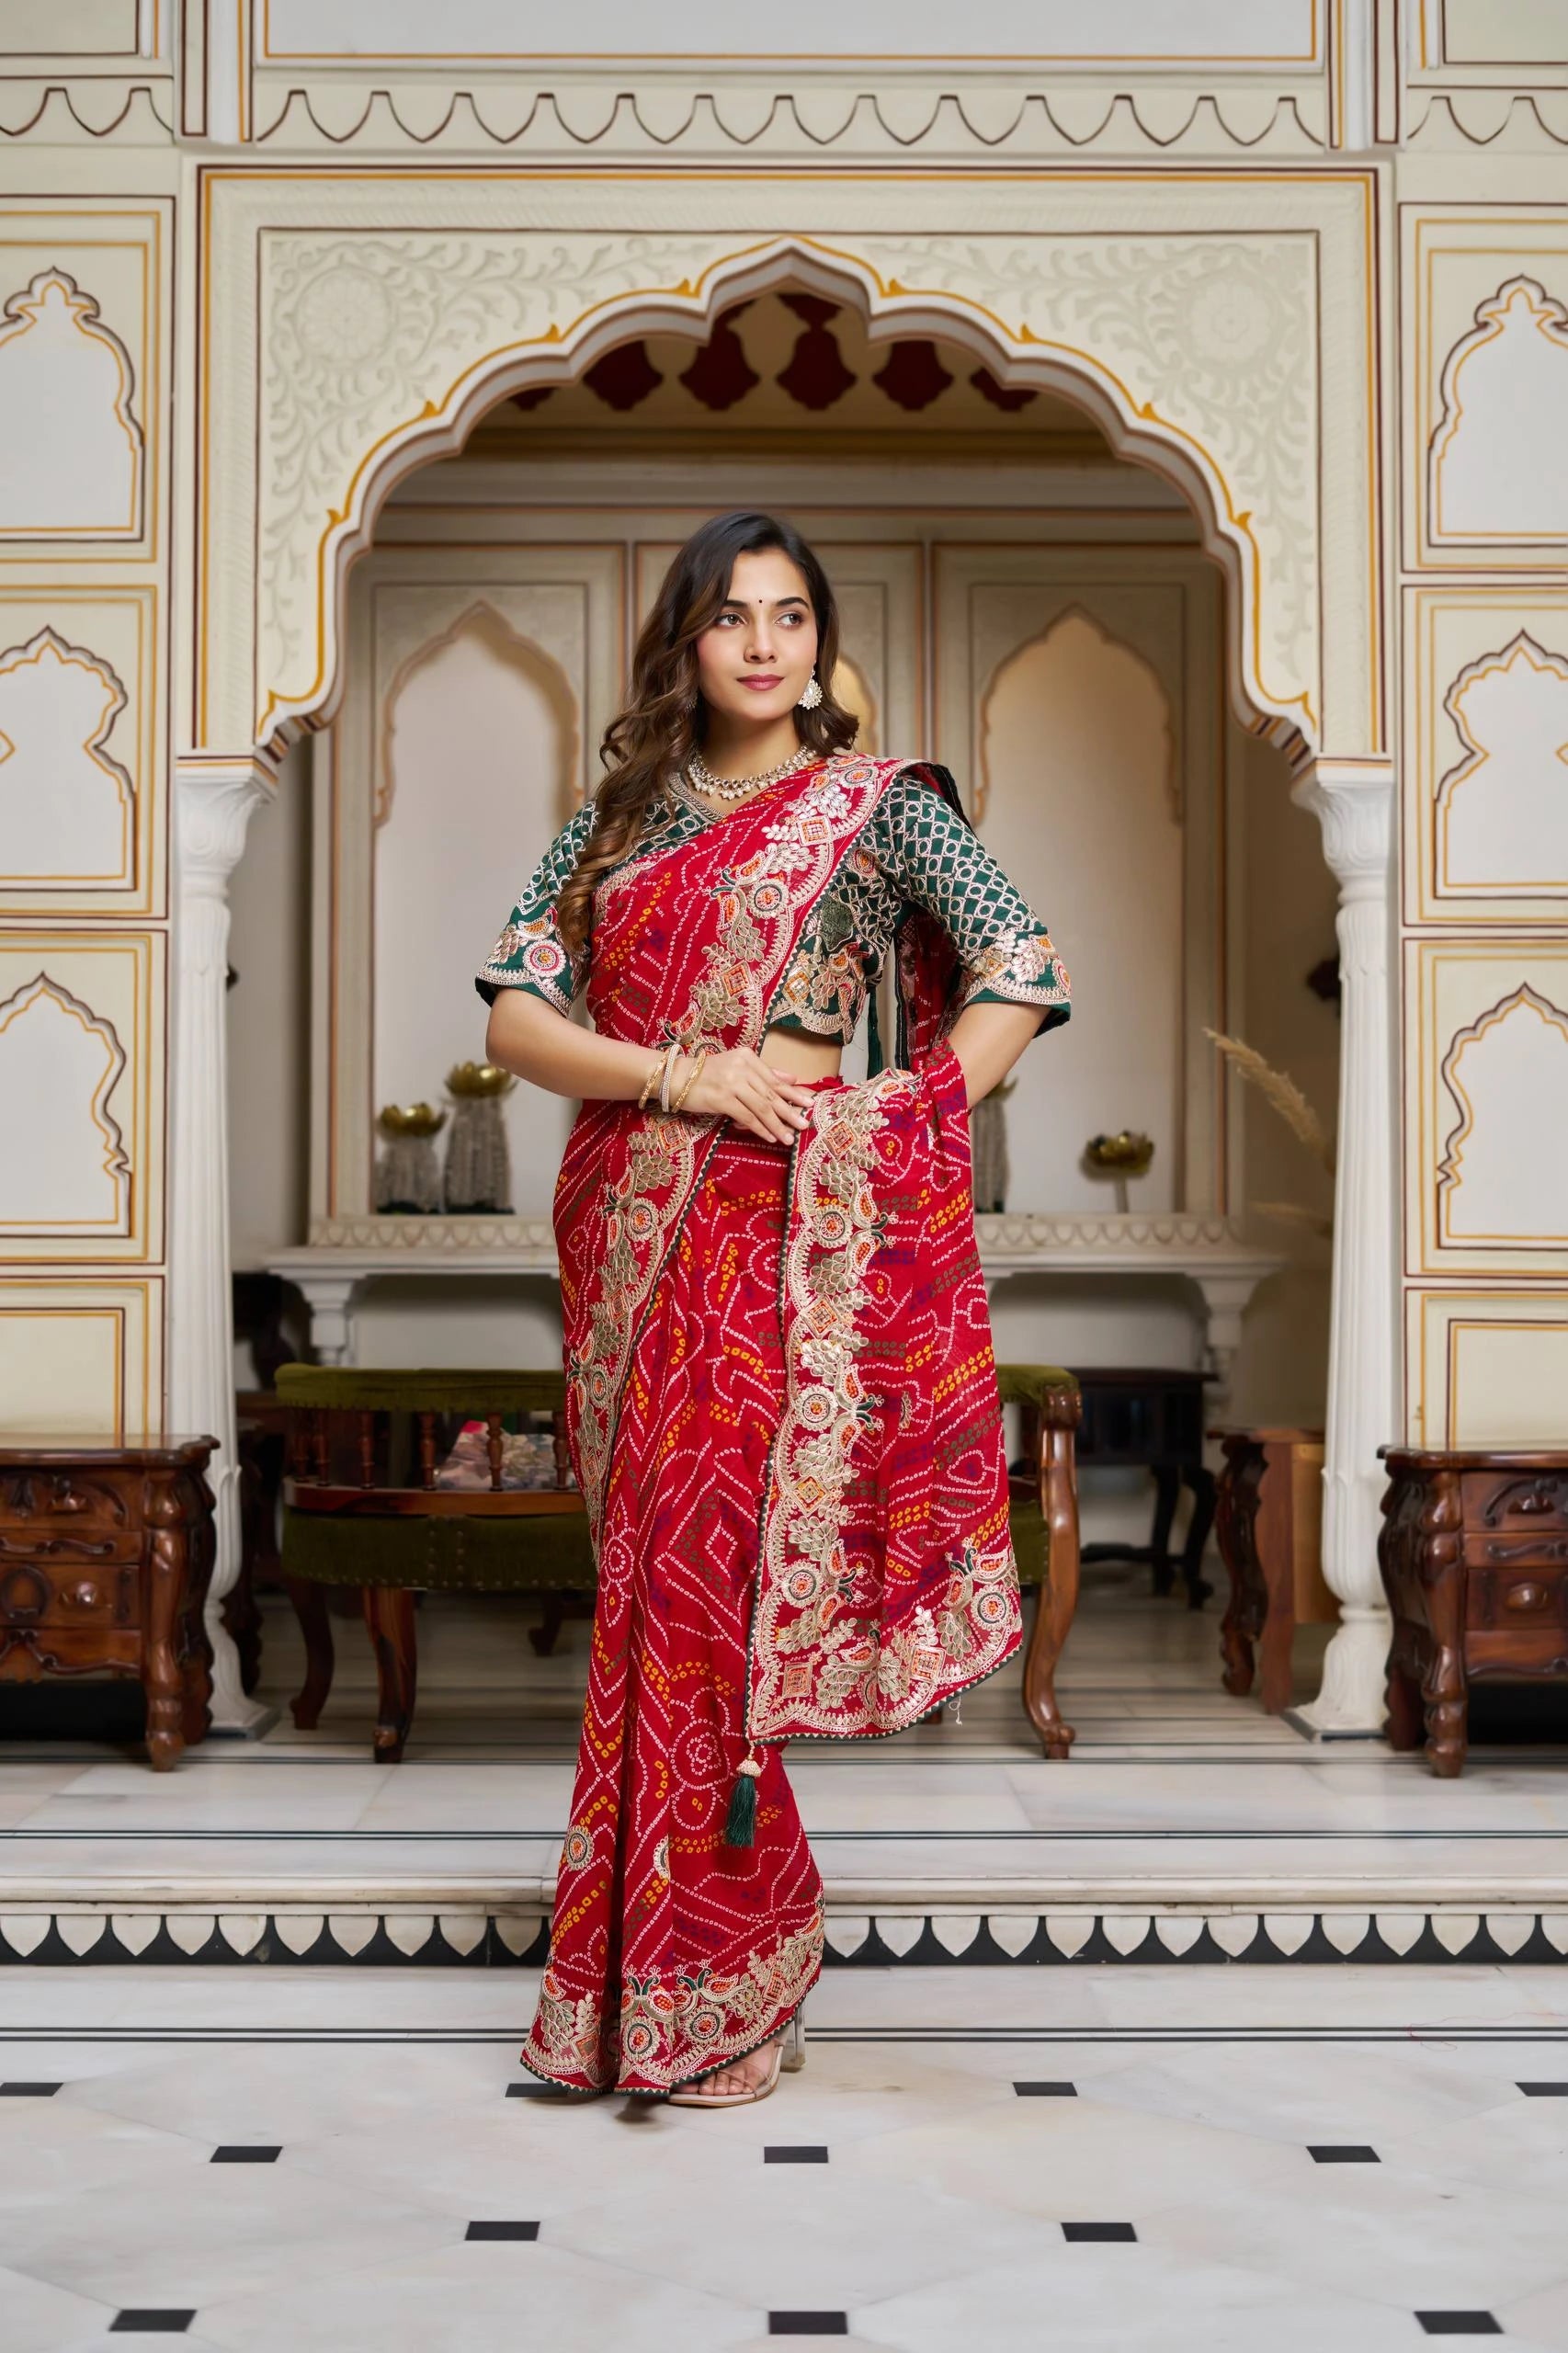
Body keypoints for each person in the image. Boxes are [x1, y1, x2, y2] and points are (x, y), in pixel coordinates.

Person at [477, 510, 1070, 2106]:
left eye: (789, 615)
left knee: (703, 1601)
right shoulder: (611, 822)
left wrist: (899, 1111)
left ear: (820, 639)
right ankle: (671, 1981)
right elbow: (518, 1020)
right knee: (644, 1598)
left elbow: (1023, 963)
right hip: (623, 1222)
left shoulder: (881, 810)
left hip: (776, 1230)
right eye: (729, 616)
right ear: (685, 642)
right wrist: (676, 1072)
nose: (760, 643)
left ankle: (716, 1974)